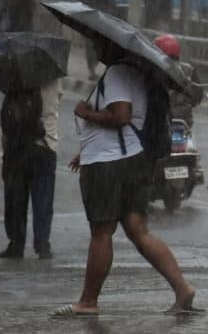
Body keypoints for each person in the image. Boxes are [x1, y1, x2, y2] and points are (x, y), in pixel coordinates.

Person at [52, 36, 199, 317]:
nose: (95, 50)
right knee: (138, 230)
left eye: (98, 45)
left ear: (111, 47)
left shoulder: (118, 73)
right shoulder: (136, 73)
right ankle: (182, 288)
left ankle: (88, 301)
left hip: (110, 165)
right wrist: (87, 150)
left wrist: (86, 112)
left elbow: (121, 116)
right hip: (130, 160)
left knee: (102, 232)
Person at [0, 79, 62, 259]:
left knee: (15, 198)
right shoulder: (53, 78)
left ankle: (16, 244)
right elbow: (56, 101)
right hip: (45, 144)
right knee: (43, 198)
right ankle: (42, 244)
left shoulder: (14, 74)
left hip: (16, 146)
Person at [153, 34, 197, 127]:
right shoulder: (189, 70)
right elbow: (197, 97)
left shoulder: (153, 69)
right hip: (184, 121)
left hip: (158, 120)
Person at [79, 0, 117, 80]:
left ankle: (92, 68)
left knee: (91, 47)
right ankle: (92, 68)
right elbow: (111, 5)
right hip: (97, 22)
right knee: (95, 46)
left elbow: (79, 1)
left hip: (90, 22)